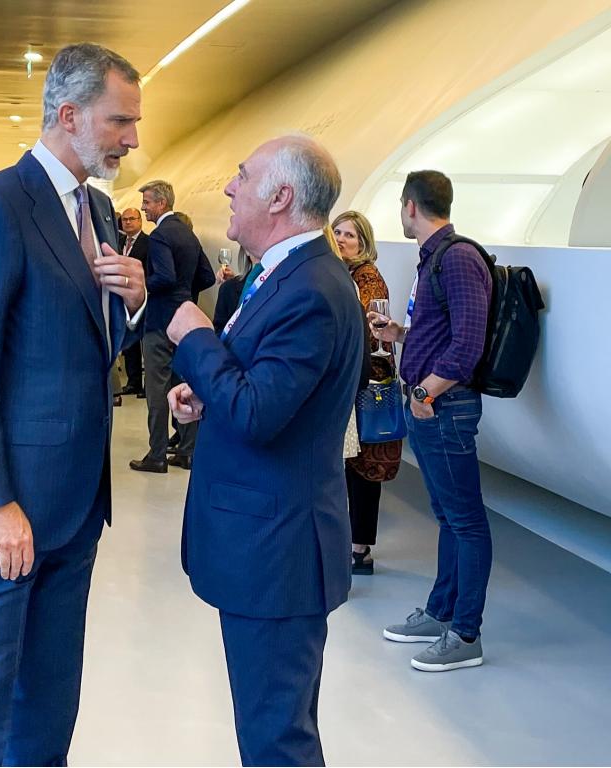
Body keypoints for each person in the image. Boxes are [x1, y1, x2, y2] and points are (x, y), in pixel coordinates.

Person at [0, 42, 145, 766]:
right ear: (69, 114)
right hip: (8, 507)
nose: (132, 138)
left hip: (77, 502)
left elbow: (86, 346)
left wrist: (134, 304)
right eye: (121, 121)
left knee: (53, 688)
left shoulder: (101, 210)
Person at [165, 134, 363, 766]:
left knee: (276, 737)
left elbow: (256, 414)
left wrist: (194, 338)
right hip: (266, 545)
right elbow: (262, 392)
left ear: (280, 197)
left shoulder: (308, 289)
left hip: (277, 554)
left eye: (241, 176)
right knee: (271, 725)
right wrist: (206, 394)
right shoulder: (283, 276)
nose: (228, 186)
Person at [371, 170, 492, 672]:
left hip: (444, 408)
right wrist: (400, 333)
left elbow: (468, 345)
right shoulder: (435, 259)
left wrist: (424, 392)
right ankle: (442, 611)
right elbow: (440, 331)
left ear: (410, 206)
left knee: (467, 522)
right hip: (428, 407)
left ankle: (466, 634)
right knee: (448, 518)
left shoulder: (458, 258)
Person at [332, 210, 402, 575]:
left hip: (367, 385)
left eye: (351, 235)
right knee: (349, 465)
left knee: (363, 467)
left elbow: (373, 333)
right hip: (350, 382)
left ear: (364, 243)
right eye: (338, 232)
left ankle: (360, 548)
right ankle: (351, 542)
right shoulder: (341, 274)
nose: (343, 239)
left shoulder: (367, 277)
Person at [130, 180, 215, 473]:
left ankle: (156, 454)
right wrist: (185, 296)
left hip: (160, 322)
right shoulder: (188, 235)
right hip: (186, 320)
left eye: (148, 202)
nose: (144, 208)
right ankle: (187, 451)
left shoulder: (160, 236)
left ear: (162, 203)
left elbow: (163, 277)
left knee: (156, 388)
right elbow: (207, 276)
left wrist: (140, 284)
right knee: (184, 384)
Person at [117, 207, 148, 396]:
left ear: (140, 221)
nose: (128, 222)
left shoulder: (148, 243)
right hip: (122, 298)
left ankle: (146, 384)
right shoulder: (119, 241)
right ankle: (133, 380)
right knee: (128, 343)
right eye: (125, 220)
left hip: (141, 298)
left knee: (144, 342)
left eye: (132, 219)